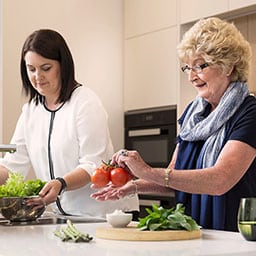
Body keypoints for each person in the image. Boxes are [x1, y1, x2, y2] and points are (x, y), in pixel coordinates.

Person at [91, 17, 256, 231]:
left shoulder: (249, 112)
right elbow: (174, 179)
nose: (191, 77)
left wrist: (146, 171)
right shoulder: (193, 115)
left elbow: (219, 180)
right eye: (187, 68)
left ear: (228, 66)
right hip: (193, 232)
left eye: (199, 66)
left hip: (234, 235)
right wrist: (132, 186)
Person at [0, 29, 139, 218]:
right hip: (65, 216)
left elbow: (93, 163)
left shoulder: (85, 102)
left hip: (104, 214)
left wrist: (61, 183)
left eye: (46, 68)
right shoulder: (31, 110)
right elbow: (13, 166)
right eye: (31, 69)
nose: (37, 76)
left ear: (62, 66)